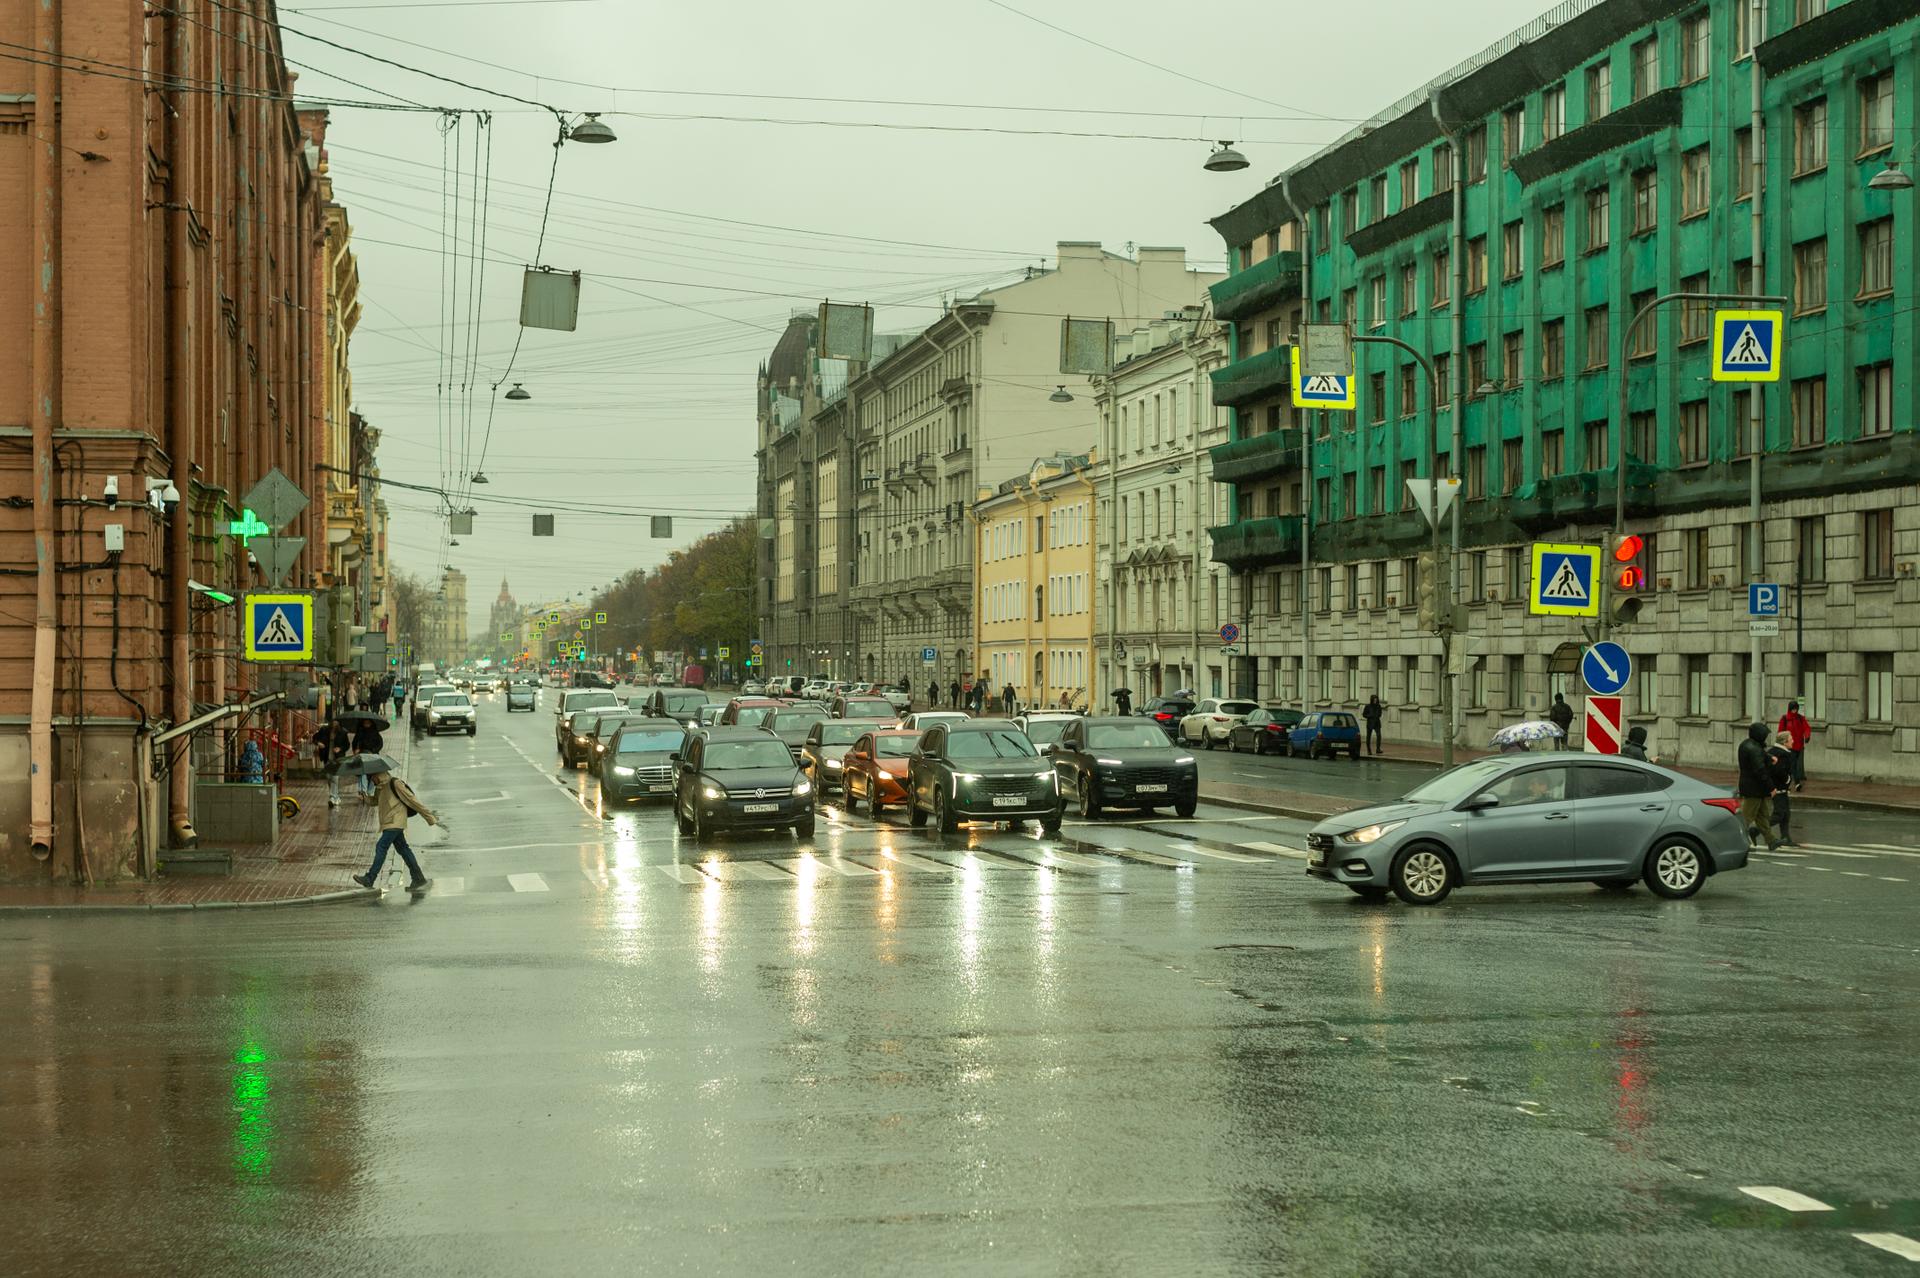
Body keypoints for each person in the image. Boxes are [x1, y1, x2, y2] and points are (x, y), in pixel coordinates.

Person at [352, 768, 437, 892]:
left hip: (395, 821)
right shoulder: (380, 787)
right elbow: (375, 801)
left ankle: (370, 878)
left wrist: (429, 817)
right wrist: (365, 798)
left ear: (377, 775)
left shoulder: (395, 783)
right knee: (403, 849)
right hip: (388, 822)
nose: (371, 782)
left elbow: (412, 800)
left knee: (381, 846)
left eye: (371, 778)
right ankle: (418, 877)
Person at [1736, 722, 1782, 851]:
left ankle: (1771, 841)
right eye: (1765, 735)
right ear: (1759, 735)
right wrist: (1771, 787)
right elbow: (1760, 770)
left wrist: (1769, 757)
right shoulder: (1754, 749)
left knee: (1762, 816)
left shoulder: (1747, 744)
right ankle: (1741, 842)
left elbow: (1759, 754)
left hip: (1753, 787)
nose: (1766, 738)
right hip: (1754, 788)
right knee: (1747, 817)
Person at [1766, 730, 1798, 848]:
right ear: (1785, 742)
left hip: (1774, 787)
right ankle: (1757, 829)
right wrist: (1788, 779)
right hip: (1779, 788)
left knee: (1785, 814)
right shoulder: (1783, 754)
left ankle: (1786, 838)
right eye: (1791, 739)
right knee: (1779, 814)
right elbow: (1780, 771)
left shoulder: (1772, 751)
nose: (1793, 741)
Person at [312, 719, 351, 808]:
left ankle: (332, 797)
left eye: (336, 723)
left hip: (337, 758)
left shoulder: (343, 732)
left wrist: (340, 749)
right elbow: (314, 738)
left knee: (335, 778)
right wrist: (319, 743)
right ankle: (336, 796)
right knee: (329, 777)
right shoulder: (324, 730)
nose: (334, 724)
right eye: (333, 723)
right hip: (326, 757)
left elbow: (347, 745)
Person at [1777, 700, 1811, 791]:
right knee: (1793, 765)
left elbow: (1806, 727)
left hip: (1799, 746)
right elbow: (1780, 732)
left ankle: (1787, 785)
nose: (1794, 711)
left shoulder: (1800, 718)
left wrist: (1807, 736)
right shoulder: (1784, 719)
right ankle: (1797, 783)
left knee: (1791, 766)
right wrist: (1782, 744)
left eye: (1796, 709)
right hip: (1788, 746)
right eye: (1793, 709)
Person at [350, 719, 384, 801]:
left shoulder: (375, 733)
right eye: (365, 723)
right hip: (362, 756)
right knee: (362, 773)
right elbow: (354, 743)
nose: (366, 725)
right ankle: (363, 791)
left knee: (373, 774)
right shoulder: (359, 733)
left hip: (372, 756)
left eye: (368, 723)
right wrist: (356, 750)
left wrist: (373, 751)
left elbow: (380, 744)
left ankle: (370, 791)